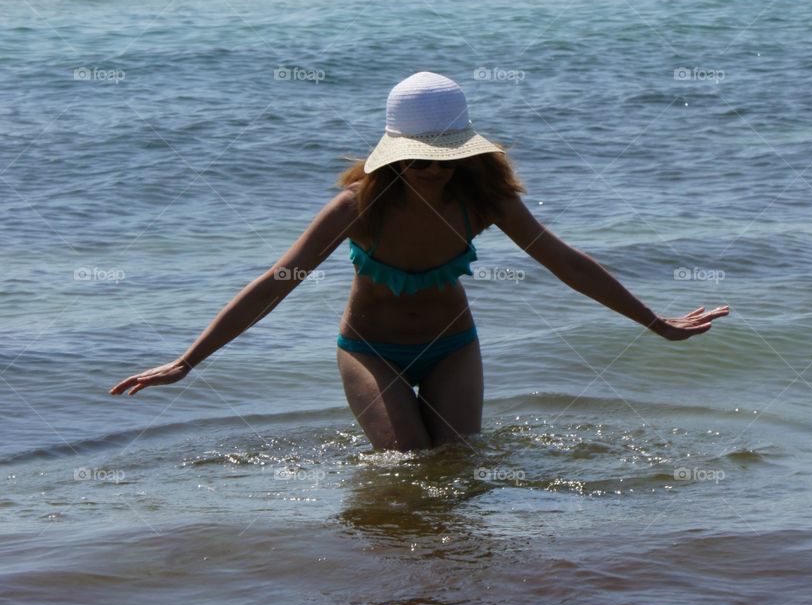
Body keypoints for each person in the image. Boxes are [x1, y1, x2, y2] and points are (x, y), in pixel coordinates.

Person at [109, 71, 730, 452]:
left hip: (452, 345)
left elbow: (566, 262)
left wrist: (656, 323)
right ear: (390, 153)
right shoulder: (359, 205)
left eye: (442, 156)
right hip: (369, 351)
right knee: (406, 465)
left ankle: (450, 588)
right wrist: (188, 361)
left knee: (456, 469)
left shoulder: (486, 201)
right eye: (414, 156)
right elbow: (279, 281)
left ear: (465, 153)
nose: (428, 169)